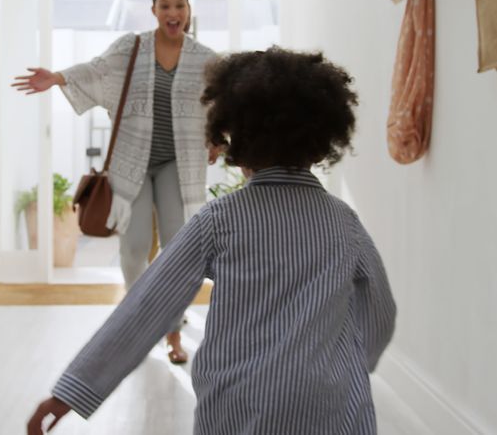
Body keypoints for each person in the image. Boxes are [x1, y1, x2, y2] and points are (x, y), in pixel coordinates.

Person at [27, 49, 397, 435]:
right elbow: (379, 313)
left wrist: (71, 393)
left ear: (235, 141)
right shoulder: (344, 223)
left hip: (239, 406)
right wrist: (352, 363)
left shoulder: (219, 220)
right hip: (329, 407)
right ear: (322, 141)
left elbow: (146, 307)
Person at [12, 0, 220, 364]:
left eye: (180, 6)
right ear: (154, 11)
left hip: (179, 162)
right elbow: (97, 70)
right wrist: (58, 77)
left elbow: (222, 101)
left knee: (177, 249)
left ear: (188, 10)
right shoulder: (133, 47)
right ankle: (139, 324)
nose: (173, 13)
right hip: (132, 162)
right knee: (133, 248)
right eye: (165, 6)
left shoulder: (205, 59)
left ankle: (173, 329)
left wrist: (218, 139)